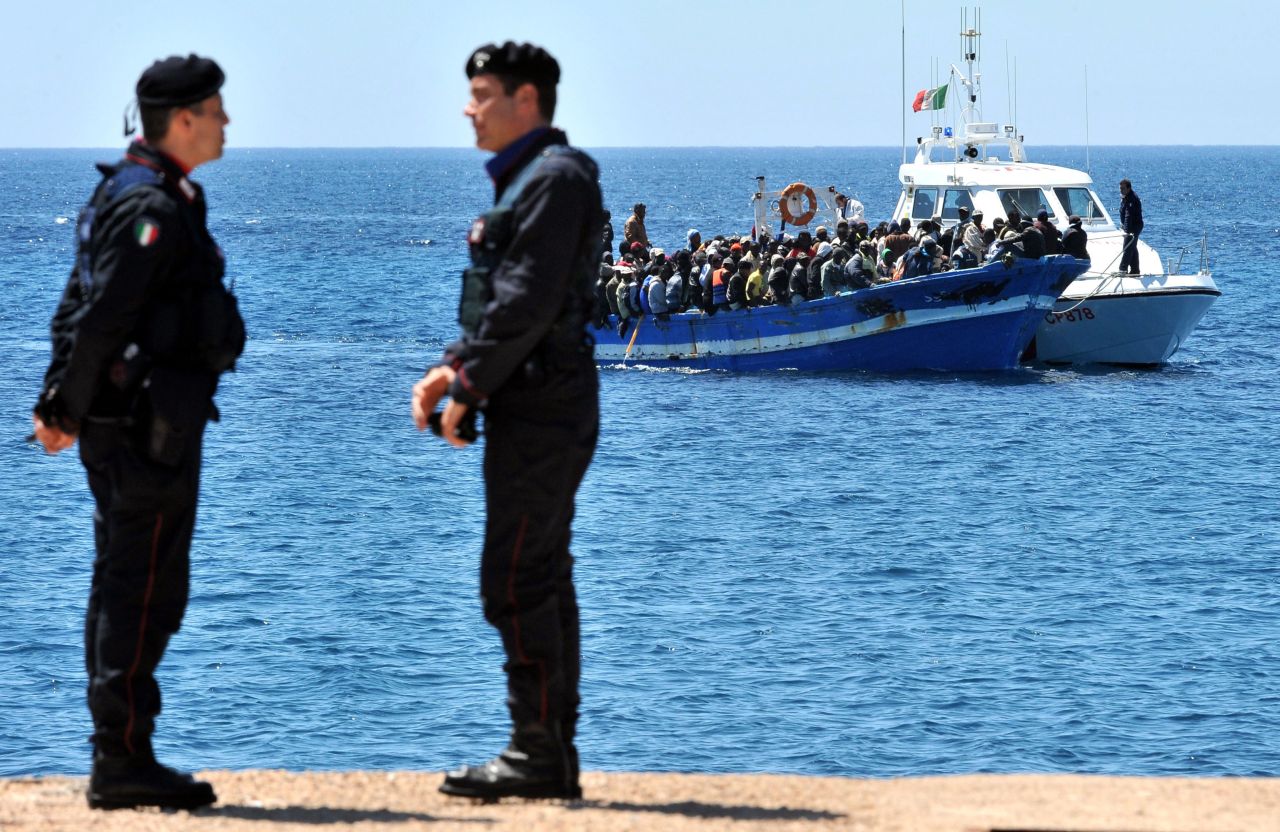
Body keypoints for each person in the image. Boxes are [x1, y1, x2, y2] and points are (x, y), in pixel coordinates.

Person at [31, 54, 243, 811]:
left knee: (138, 585)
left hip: (144, 428)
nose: (227, 123)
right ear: (182, 120)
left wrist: (59, 401)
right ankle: (119, 760)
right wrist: (62, 408)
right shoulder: (148, 205)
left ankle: (124, 752)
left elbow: (75, 308)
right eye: (217, 110)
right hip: (142, 433)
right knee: (139, 589)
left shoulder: (132, 193)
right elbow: (101, 318)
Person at [411, 41, 602, 801]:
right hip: (535, 399)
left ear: (528, 100)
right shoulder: (533, 181)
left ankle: (537, 751)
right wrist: (453, 369)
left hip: (543, 404)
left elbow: (526, 304)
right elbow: (506, 301)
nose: (468, 109)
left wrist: (468, 385)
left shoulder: (553, 181)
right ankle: (548, 751)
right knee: (540, 572)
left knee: (517, 576)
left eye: (482, 94)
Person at [1118, 178, 1143, 274]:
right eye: (1120, 188)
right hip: (1131, 226)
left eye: (1123, 188)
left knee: (1127, 246)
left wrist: (1127, 231)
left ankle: (1123, 269)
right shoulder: (1126, 197)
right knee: (1132, 247)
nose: (1121, 190)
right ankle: (1135, 270)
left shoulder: (1131, 199)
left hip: (1134, 226)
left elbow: (1128, 216)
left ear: (1128, 188)